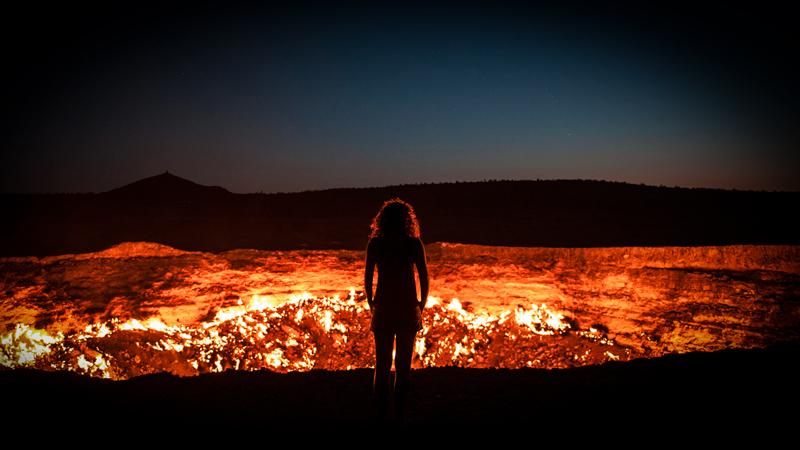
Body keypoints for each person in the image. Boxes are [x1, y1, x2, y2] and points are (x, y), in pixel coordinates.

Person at [364, 197, 429, 424]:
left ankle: (379, 415)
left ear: (382, 220)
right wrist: (421, 305)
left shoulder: (376, 244)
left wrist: (372, 304)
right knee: (403, 367)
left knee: (381, 365)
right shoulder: (413, 244)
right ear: (407, 220)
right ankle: (399, 415)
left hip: (383, 308)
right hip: (407, 308)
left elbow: (367, 278)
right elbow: (424, 276)